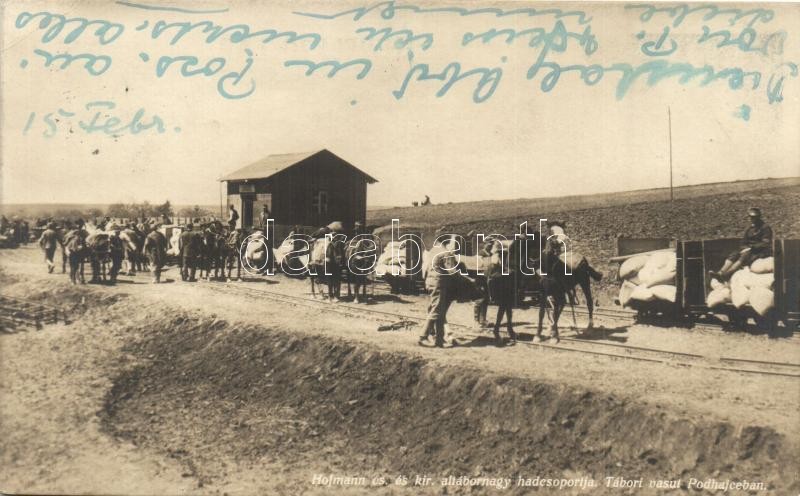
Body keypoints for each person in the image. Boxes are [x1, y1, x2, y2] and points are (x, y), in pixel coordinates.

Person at [419, 233, 459, 348]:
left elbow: (426, 268)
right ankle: (423, 337)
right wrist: (469, 279)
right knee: (436, 311)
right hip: (439, 284)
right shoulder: (446, 253)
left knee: (439, 312)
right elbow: (452, 272)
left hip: (431, 282)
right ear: (448, 242)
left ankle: (439, 340)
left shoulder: (433, 251)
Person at [710, 207, 773, 280]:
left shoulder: (765, 228)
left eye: (754, 217)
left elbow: (766, 243)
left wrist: (751, 248)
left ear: (758, 217)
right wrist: (744, 248)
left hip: (760, 251)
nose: (751, 219)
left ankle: (727, 274)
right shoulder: (749, 228)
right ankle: (720, 272)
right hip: (749, 249)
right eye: (750, 217)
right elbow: (743, 242)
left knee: (744, 255)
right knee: (735, 254)